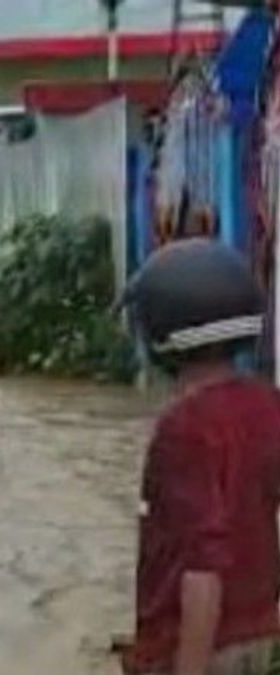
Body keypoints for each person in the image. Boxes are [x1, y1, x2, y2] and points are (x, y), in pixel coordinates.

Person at [119, 239, 280, 675]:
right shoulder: (269, 406)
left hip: (194, 648)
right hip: (260, 637)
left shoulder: (182, 430)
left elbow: (201, 571)